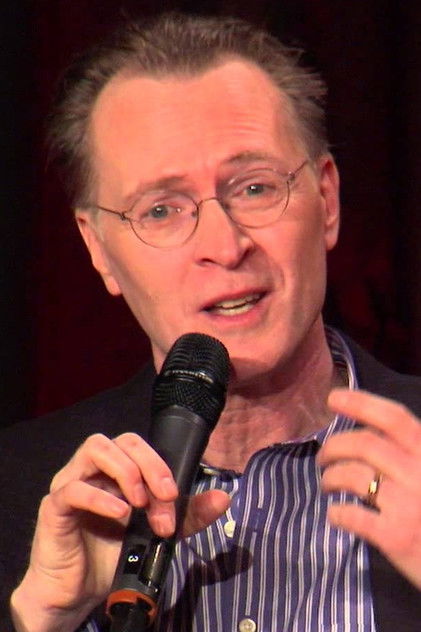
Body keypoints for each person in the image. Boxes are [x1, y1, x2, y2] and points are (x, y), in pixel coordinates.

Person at [2, 11, 421, 632]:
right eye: (162, 209)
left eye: (255, 188)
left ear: (327, 200)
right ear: (98, 250)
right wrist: (42, 620)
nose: (225, 247)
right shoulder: (16, 493)